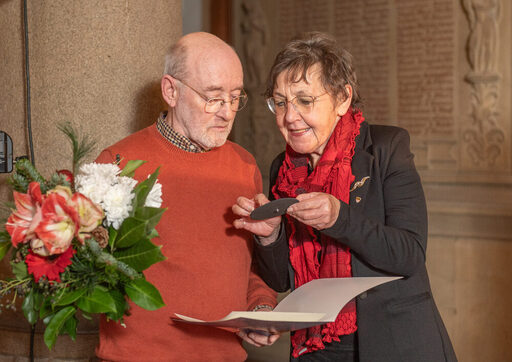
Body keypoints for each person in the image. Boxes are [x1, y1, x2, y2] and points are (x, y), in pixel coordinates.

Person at [232, 32, 457, 361]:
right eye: (280, 102)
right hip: (315, 349)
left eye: (305, 101)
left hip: (395, 345)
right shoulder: (283, 168)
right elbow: (280, 279)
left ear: (342, 99)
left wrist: (341, 219)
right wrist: (271, 237)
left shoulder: (385, 148)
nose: (289, 117)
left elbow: (409, 254)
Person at [94, 32, 279, 361]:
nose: (226, 112)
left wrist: (260, 306)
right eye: (213, 97)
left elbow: (244, 267)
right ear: (171, 91)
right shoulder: (117, 165)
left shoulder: (243, 166)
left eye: (235, 97)